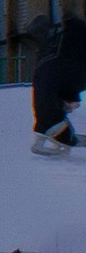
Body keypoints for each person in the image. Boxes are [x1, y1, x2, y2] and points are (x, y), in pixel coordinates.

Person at [30, 11, 83, 157]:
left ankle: (54, 130)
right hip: (50, 113)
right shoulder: (55, 49)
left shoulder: (51, 50)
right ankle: (55, 130)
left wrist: (72, 96)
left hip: (48, 111)